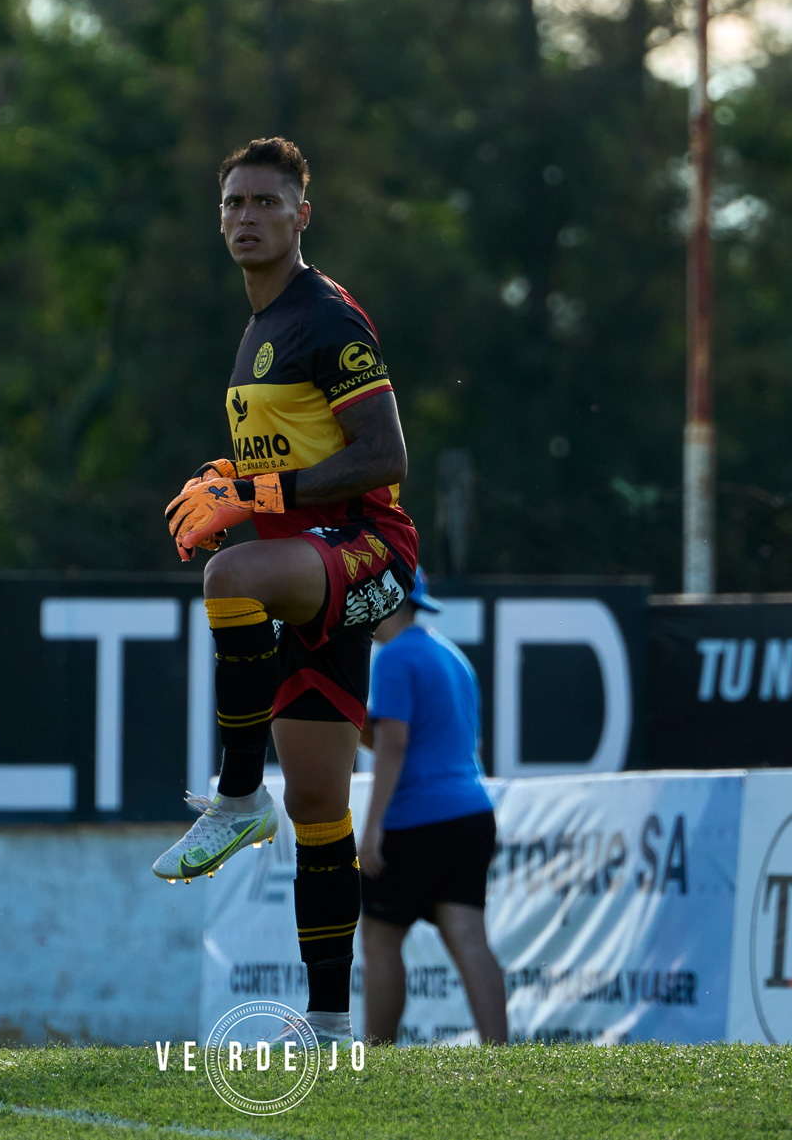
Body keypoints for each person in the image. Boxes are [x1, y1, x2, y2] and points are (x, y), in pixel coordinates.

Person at [156, 137, 418, 1052]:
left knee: (228, 576)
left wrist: (254, 495)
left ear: (302, 216)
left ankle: (236, 798)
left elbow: (384, 456)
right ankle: (332, 1023)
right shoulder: (259, 328)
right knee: (319, 804)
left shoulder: (324, 317)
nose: (246, 217)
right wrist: (229, 477)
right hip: (307, 562)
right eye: (233, 203)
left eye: (266, 202)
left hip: (367, 549)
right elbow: (293, 453)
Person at [358, 569, 507, 1045]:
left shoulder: (394, 657)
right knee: (468, 937)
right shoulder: (450, 654)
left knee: (380, 939)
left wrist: (373, 827)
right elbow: (414, 738)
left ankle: (377, 1059)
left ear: (385, 598)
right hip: (471, 815)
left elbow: (395, 745)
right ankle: (501, 1057)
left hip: (417, 820)